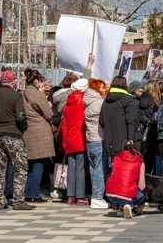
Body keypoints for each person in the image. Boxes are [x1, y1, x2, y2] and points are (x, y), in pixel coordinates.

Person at [0, 71, 33, 210]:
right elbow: (20, 116)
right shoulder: (16, 96)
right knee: (20, 167)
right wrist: (23, 128)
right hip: (13, 136)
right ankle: (18, 201)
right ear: (13, 82)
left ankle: (0, 201)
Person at [21, 68, 55, 203]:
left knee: (30, 164)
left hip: (28, 131)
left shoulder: (22, 94)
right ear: (36, 80)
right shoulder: (38, 95)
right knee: (39, 164)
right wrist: (49, 105)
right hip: (41, 132)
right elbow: (49, 115)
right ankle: (33, 193)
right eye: (40, 80)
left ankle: (27, 191)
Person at [59, 78, 89, 205]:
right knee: (81, 168)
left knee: (71, 168)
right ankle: (80, 196)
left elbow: (63, 124)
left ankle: (70, 195)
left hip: (70, 139)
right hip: (81, 137)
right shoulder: (84, 100)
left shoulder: (68, 102)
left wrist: (64, 141)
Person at [100, 76, 140, 160]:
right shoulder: (128, 99)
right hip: (124, 141)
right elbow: (131, 120)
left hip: (109, 140)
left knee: (114, 168)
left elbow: (101, 120)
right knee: (125, 169)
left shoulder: (106, 100)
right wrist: (130, 139)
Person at [84, 78, 110, 209]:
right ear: (97, 88)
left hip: (90, 139)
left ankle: (95, 195)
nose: (105, 89)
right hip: (99, 138)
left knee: (93, 168)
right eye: (103, 87)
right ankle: (97, 197)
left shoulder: (88, 101)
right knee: (100, 169)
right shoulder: (100, 102)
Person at [106, 140, 146, 218]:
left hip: (110, 194)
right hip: (125, 195)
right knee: (141, 195)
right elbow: (142, 186)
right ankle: (129, 205)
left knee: (120, 189)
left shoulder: (116, 158)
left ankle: (120, 209)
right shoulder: (140, 162)